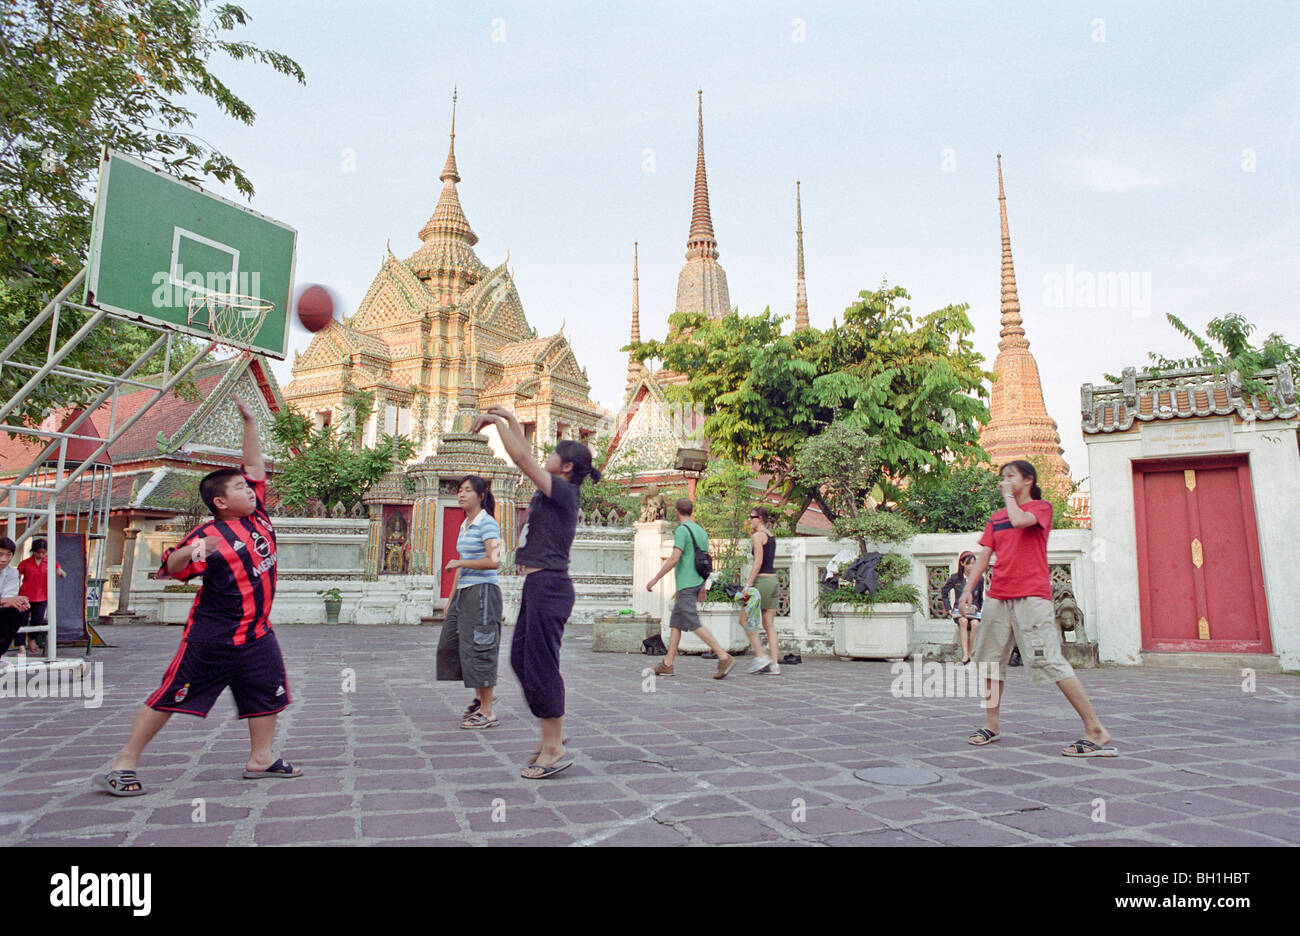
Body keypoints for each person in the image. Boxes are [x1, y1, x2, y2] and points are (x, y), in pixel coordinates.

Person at [96, 396, 300, 796]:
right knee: (172, 693)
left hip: (257, 632)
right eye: (242, 488)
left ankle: (261, 758)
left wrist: (249, 421)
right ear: (221, 502)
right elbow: (172, 567)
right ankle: (124, 763)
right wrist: (187, 552)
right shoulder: (207, 537)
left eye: (249, 487)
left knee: (268, 690)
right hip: (213, 636)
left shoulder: (258, 517)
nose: (252, 491)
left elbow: (255, 465)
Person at [471, 407, 598, 780]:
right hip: (538, 586)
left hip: (551, 587)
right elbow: (527, 454)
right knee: (520, 660)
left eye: (556, 453)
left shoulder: (563, 492)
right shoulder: (555, 487)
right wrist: (511, 421)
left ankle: (553, 744)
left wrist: (496, 426)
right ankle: (551, 734)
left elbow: (522, 459)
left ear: (567, 467)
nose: (549, 457)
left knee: (541, 665)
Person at [959, 460, 1116, 757]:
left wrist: (1009, 497)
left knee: (1050, 661)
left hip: (1032, 596)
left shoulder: (1040, 508)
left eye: (1010, 476)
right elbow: (984, 556)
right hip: (998, 596)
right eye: (1001, 477)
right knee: (991, 661)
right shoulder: (996, 518)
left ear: (1028, 480)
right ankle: (992, 725)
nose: (1004, 481)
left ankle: (1095, 729)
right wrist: (969, 589)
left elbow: (1020, 521)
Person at [436, 475, 504, 729]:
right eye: (459, 491)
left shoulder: (488, 524)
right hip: (464, 592)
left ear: (481, 495)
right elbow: (461, 563)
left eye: (467, 490)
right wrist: (451, 599)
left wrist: (461, 563)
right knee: (451, 645)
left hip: (483, 592)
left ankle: (487, 712)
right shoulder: (466, 524)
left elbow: (494, 561)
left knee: (480, 646)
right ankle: (481, 697)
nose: (461, 495)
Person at [645, 498, 735, 679]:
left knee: (693, 623)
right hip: (695, 582)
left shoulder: (682, 531)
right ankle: (668, 664)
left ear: (677, 511)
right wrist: (702, 585)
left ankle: (723, 656)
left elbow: (674, 558)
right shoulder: (701, 531)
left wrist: (655, 579)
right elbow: (705, 561)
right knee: (676, 624)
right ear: (691, 511)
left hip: (686, 583)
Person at [742, 506, 781, 674]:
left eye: (752, 517)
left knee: (744, 620)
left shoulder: (758, 536)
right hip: (773, 581)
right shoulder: (771, 536)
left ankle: (761, 657)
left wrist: (748, 585)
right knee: (769, 625)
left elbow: (758, 562)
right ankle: (775, 664)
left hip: (762, 582)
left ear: (761, 519)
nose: (750, 520)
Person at [16, 538, 66, 653]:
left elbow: (60, 571)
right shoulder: (25, 563)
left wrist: (61, 573)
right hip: (25, 596)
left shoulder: (50, 562)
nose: (41, 555)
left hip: (42, 597)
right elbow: (16, 577)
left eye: (43, 553)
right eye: (38, 552)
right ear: (33, 551)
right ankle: (20, 645)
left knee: (37, 620)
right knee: (21, 621)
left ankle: (32, 639)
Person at [941, 550, 982, 665]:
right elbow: (944, 592)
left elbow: (980, 598)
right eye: (968, 563)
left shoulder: (979, 578)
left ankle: (971, 653)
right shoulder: (955, 578)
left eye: (974, 563)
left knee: (975, 624)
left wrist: (977, 608)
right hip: (959, 611)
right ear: (962, 564)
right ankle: (965, 654)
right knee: (963, 622)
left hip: (974, 611)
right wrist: (948, 608)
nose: (971, 566)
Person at [0, 538, 32, 661]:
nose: (4, 559)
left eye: (9, 555)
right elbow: (5, 600)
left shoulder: (12, 572)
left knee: (19, 613)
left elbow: (8, 598)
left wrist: (19, 602)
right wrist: (6, 601)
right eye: (0, 554)